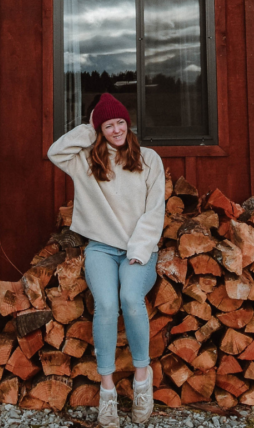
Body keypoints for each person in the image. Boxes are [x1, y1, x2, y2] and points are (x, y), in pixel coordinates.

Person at [48, 93, 166, 427]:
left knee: (130, 298)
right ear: (99, 129)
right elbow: (54, 151)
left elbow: (155, 211)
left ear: (129, 124)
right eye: (108, 124)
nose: (116, 129)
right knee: (105, 305)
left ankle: (143, 380)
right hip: (101, 247)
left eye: (120, 123)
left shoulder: (148, 159)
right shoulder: (86, 160)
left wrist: (140, 252)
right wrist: (90, 129)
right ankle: (107, 390)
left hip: (138, 249)